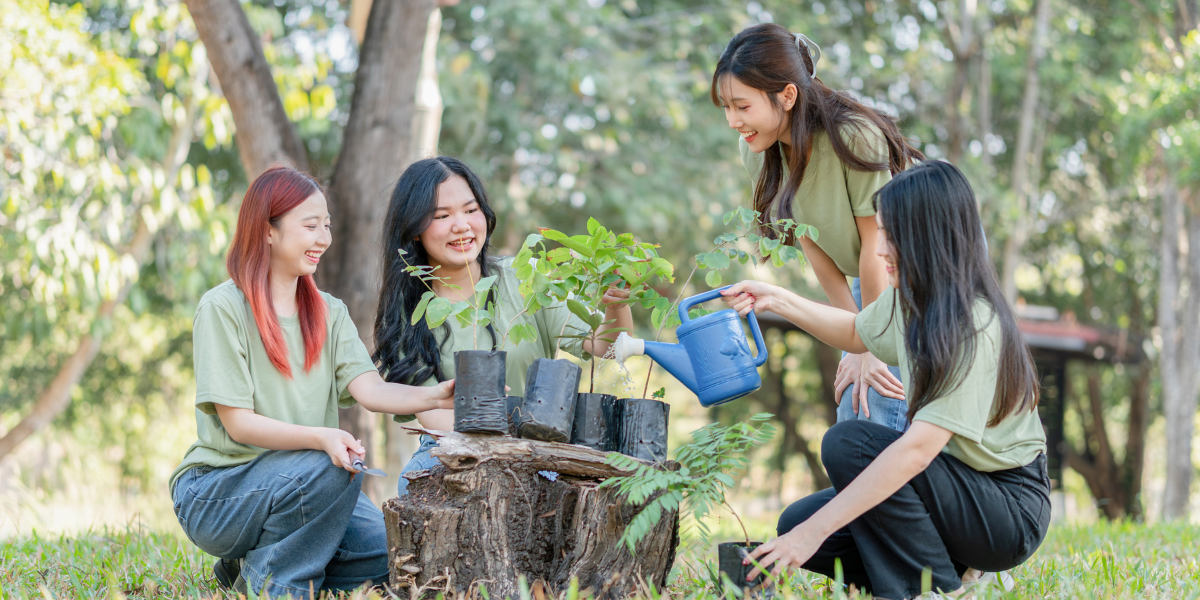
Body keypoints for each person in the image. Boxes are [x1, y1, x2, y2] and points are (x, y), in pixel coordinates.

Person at [721, 161, 1050, 598]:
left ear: (925, 235)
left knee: (848, 446)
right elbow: (857, 333)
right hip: (950, 486)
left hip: (1006, 509)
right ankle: (944, 567)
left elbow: (916, 451)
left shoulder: (974, 325)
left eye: (888, 236)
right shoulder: (912, 301)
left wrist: (813, 534)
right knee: (795, 524)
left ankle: (934, 589)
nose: (878, 251)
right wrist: (776, 298)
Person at [169, 167, 455, 597]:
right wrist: (321, 437)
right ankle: (276, 584)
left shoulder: (329, 310)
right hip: (220, 490)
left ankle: (251, 564)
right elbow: (239, 424)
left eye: (327, 225)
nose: (324, 238)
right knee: (328, 465)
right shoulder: (222, 307)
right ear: (267, 230)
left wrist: (435, 393)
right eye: (310, 226)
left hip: (309, 487)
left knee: (394, 556)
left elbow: (371, 391)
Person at [373, 156, 632, 495]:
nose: (462, 225)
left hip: (538, 449)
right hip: (451, 453)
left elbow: (605, 346)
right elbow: (434, 419)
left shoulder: (523, 277)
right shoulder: (411, 310)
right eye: (442, 216)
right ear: (415, 231)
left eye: (470, 210)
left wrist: (617, 306)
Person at [713, 23, 925, 431]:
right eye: (725, 107)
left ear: (787, 96)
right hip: (875, 276)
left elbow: (875, 243)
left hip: (922, 267)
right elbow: (812, 242)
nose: (732, 121)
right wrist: (858, 342)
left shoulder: (853, 136)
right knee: (858, 404)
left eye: (742, 106)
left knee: (881, 404)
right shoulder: (758, 152)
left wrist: (868, 341)